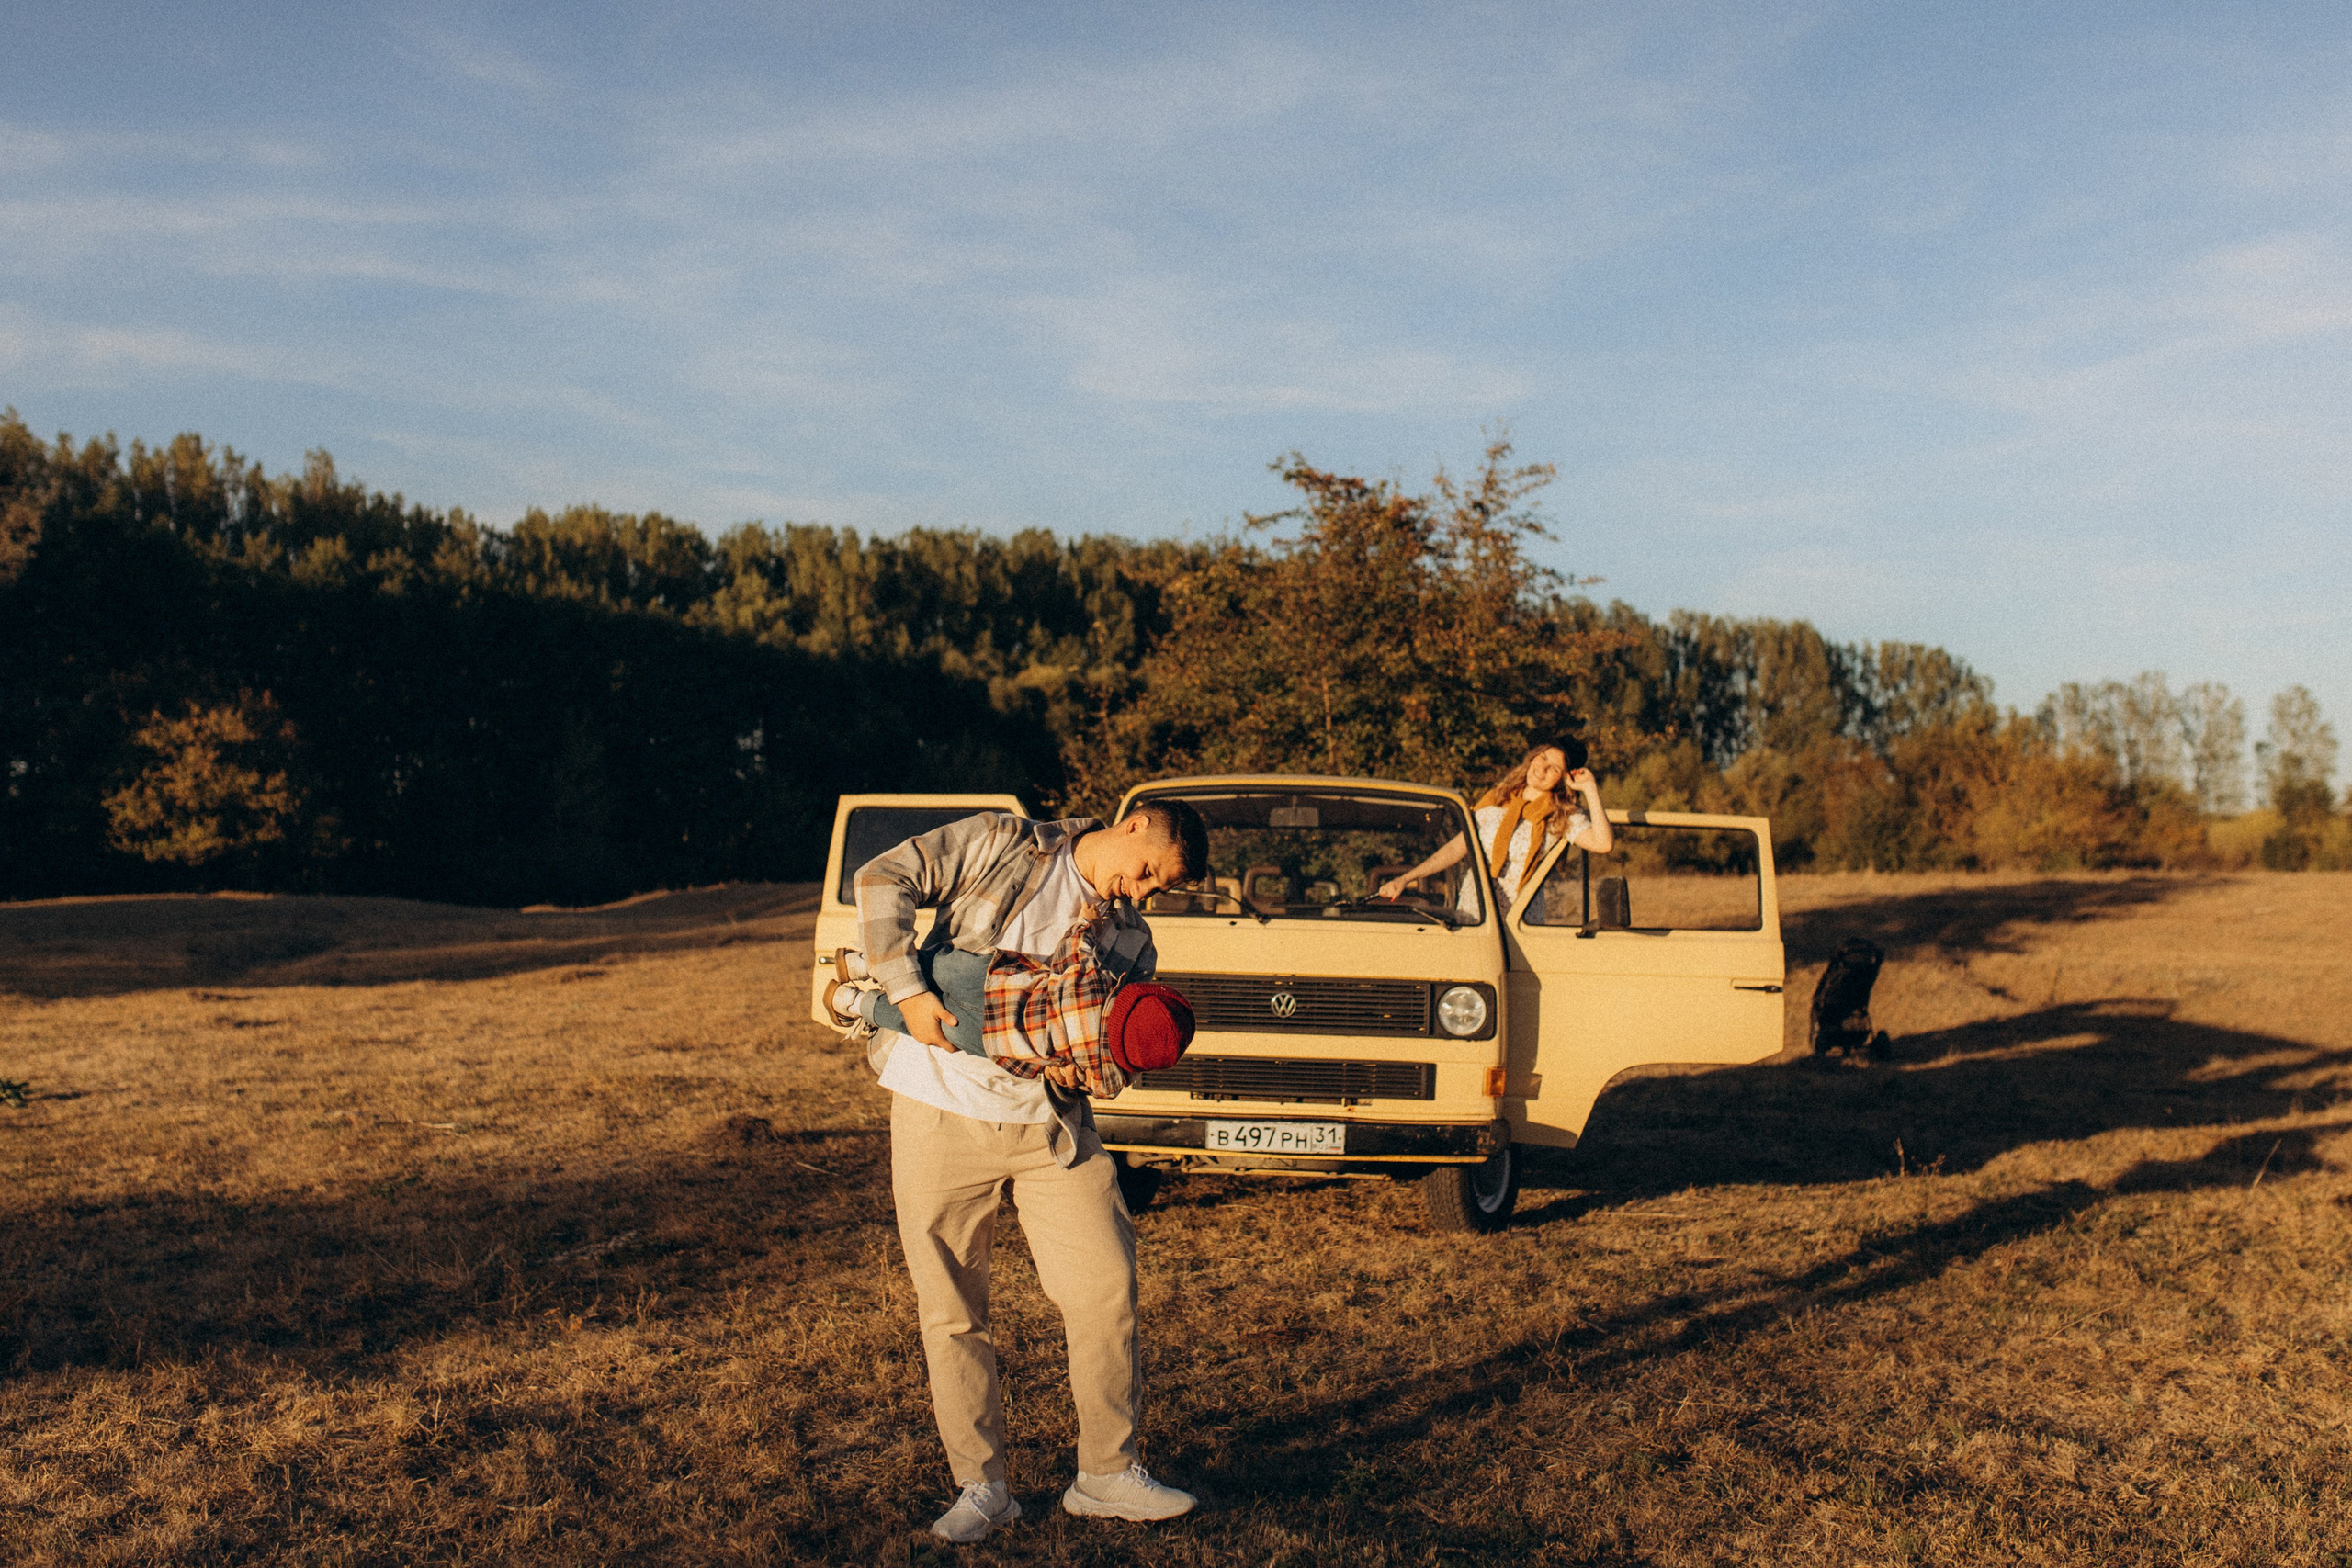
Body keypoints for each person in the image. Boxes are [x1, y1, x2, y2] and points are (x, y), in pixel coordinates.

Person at [848, 798, 1211, 1544]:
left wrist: (1108, 1055)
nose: (1140, 893)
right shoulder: (1004, 842)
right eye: (1146, 873)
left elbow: (1112, 1056)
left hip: (1050, 1127)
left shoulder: (1131, 941)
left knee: (1106, 1285)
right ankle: (983, 1489)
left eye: (1156, 890)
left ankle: (1106, 1474)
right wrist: (907, 992)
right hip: (938, 1104)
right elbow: (883, 876)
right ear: (1134, 821)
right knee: (952, 1306)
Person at [824, 900, 1198, 1097]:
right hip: (994, 1043)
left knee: (938, 966)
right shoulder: (1110, 1073)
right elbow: (1098, 1088)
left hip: (997, 987)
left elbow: (1074, 952)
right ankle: (851, 1003)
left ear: (1128, 996)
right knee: (923, 1024)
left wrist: (1088, 923)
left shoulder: (1095, 986)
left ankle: (865, 964)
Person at [1374, 739, 1614, 915]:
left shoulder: (1560, 815)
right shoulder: (1496, 799)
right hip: (1476, 911)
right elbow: (1458, 848)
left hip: (1521, 917)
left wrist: (1590, 788)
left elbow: (1603, 843)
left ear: (1564, 779)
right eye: (1542, 758)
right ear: (1533, 757)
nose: (1542, 769)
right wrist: (1406, 878)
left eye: (1554, 768)